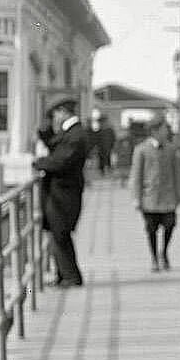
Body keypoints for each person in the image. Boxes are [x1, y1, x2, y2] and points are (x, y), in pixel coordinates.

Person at [32, 96, 89, 287]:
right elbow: (54, 144)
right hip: (60, 194)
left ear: (64, 111)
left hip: (64, 195)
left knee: (61, 235)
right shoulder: (70, 133)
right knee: (58, 235)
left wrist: (37, 163)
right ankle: (63, 275)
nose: (55, 118)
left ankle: (72, 277)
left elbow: (61, 161)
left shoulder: (76, 135)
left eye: (56, 114)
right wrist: (46, 128)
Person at [130, 115, 180, 272]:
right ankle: (154, 257)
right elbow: (136, 176)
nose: (167, 132)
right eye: (164, 129)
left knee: (170, 225)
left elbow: (178, 173)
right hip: (150, 198)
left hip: (168, 197)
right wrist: (136, 198)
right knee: (151, 229)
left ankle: (164, 252)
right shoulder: (141, 150)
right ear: (155, 131)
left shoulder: (171, 149)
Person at [89, 110, 116, 175]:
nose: (101, 124)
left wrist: (113, 146)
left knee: (108, 159)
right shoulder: (99, 131)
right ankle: (102, 171)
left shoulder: (109, 130)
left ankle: (108, 170)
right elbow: (96, 140)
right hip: (101, 148)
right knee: (102, 159)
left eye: (102, 122)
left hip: (108, 148)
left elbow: (113, 139)